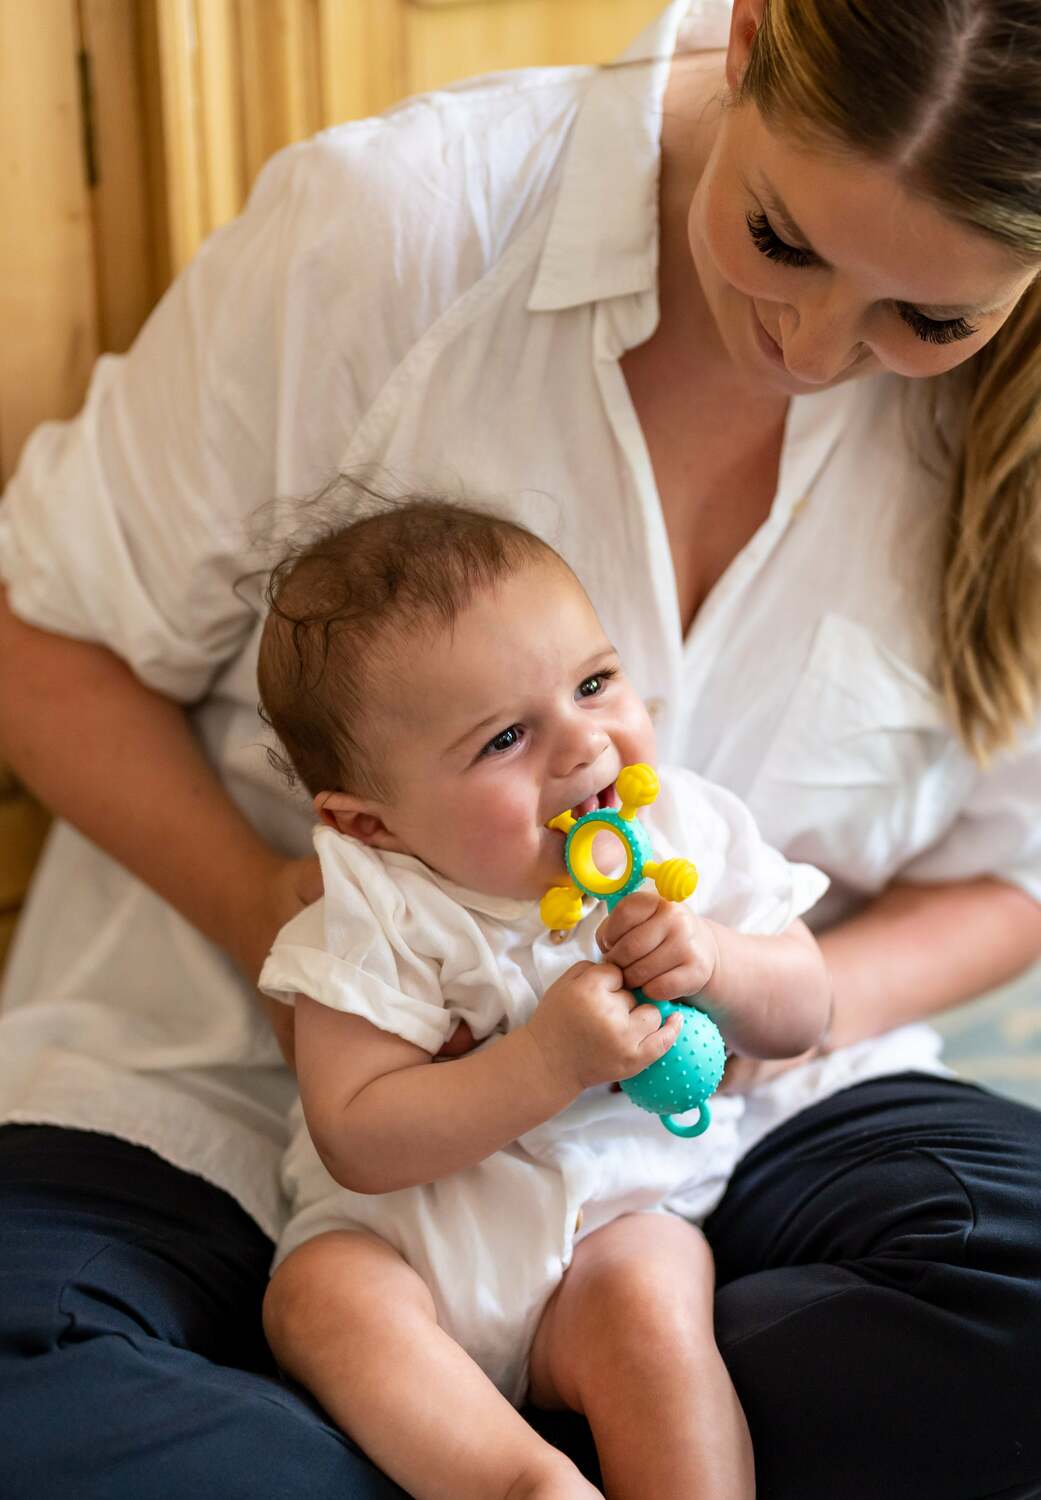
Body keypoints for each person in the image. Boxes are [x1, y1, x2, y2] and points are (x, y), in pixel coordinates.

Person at [2, 0, 1041, 1495]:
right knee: (42, 1396)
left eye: (928, 320)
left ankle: (512, 1425)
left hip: (709, 1153)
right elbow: (38, 640)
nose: (812, 353)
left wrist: (750, 1011)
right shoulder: (399, 234)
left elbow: (1008, 879)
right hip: (236, 1112)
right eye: (784, 240)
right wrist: (266, 921)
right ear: (749, 39)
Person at [254, 497, 832, 1500]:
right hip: (409, 1250)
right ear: (370, 824)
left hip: (612, 1227)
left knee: (657, 1312)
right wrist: (541, 1065)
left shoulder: (686, 834)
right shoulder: (372, 913)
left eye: (596, 683)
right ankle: (523, 1481)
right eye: (506, 738)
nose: (582, 746)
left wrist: (718, 962)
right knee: (316, 1299)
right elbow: (356, 1135)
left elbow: (807, 1011)